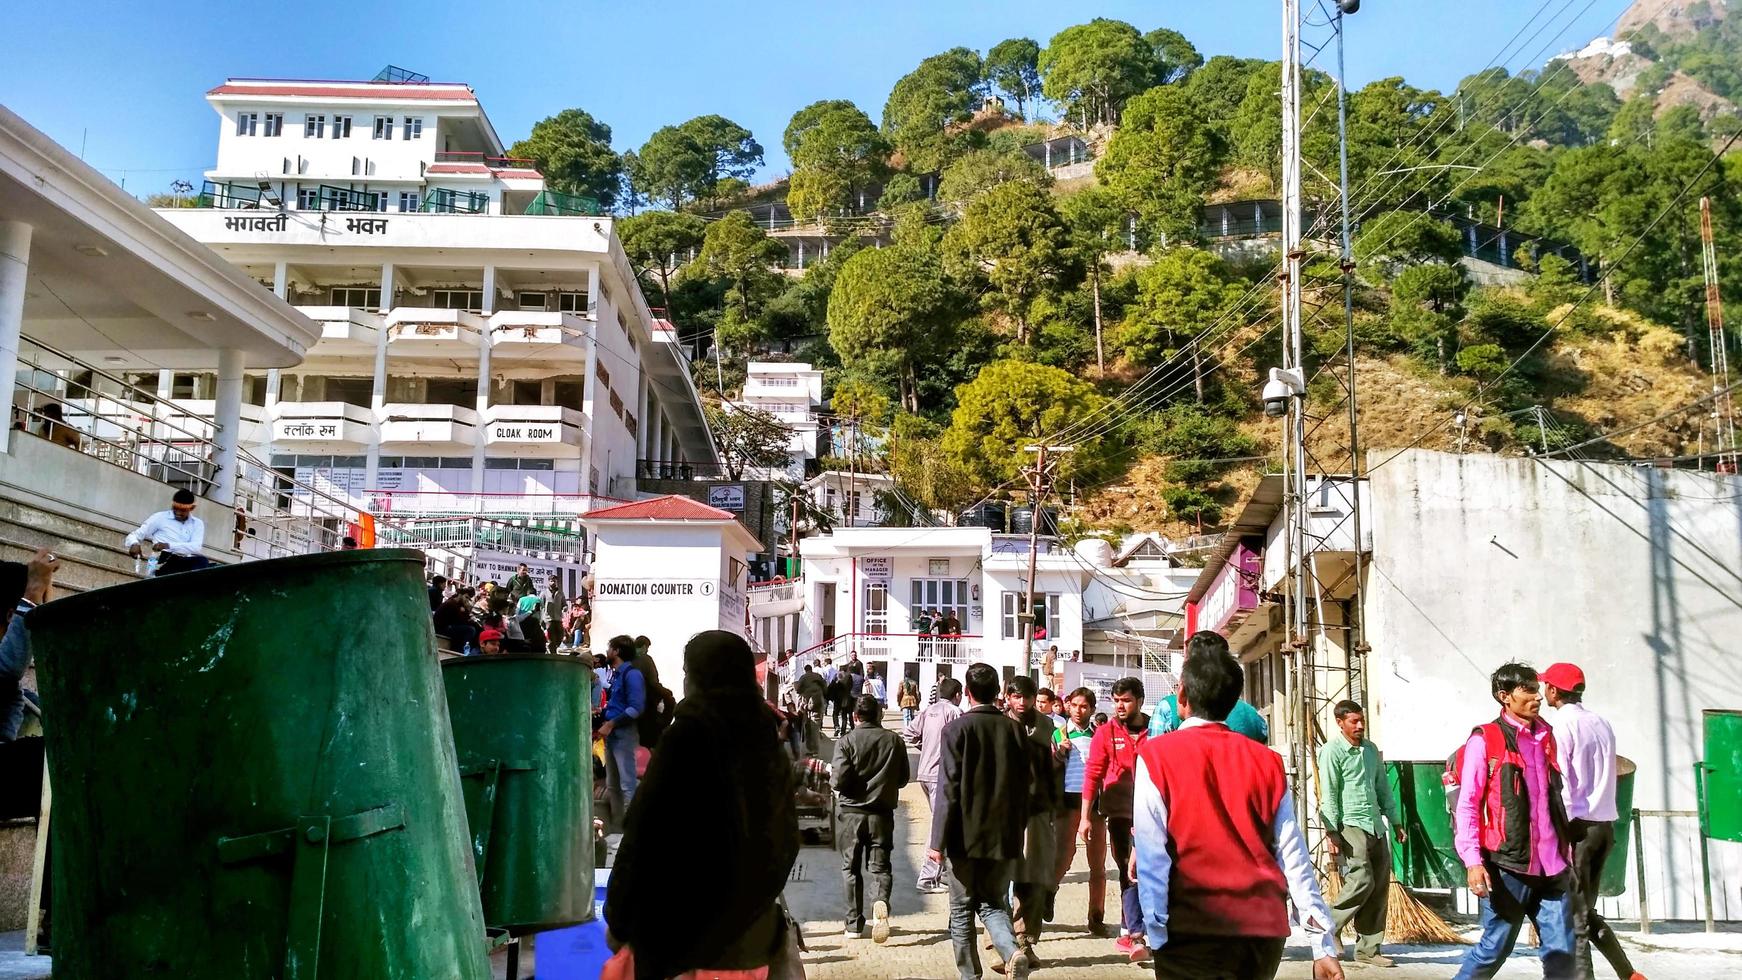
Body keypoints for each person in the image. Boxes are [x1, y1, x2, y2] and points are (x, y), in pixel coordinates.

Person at [1132, 640, 1343, 980]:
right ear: (1233, 702)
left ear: (1181, 697)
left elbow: (1152, 854)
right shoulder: (1268, 762)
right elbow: (1293, 855)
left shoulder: (1155, 757)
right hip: (1260, 934)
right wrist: (1322, 944)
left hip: (1191, 928)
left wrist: (1155, 931)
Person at [604, 631, 801, 980]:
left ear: (698, 676)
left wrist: (618, 919)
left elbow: (644, 837)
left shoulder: (689, 736)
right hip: (750, 947)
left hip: (681, 945)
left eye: (686, 672)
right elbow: (785, 842)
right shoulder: (767, 742)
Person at [1453, 663, 1575, 980]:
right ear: (1504, 696)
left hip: (1552, 865)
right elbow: (1467, 804)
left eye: (1538, 689)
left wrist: (1567, 854)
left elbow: (1555, 797)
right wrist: (1472, 861)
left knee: (1562, 954)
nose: (1537, 697)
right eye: (1529, 690)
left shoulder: (1546, 735)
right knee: (1495, 949)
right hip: (1507, 865)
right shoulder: (1486, 740)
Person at [1540, 662, 1644, 980]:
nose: (1543, 691)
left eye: (1546, 685)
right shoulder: (1601, 723)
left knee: (1576, 919)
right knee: (1586, 911)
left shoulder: (1560, 726)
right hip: (1604, 828)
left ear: (1554, 691)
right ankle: (1629, 975)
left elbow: (1562, 783)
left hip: (1577, 828)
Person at [928, 663, 1032, 980]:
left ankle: (969, 976)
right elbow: (1025, 786)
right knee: (993, 904)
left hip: (962, 836)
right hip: (1002, 836)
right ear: (999, 691)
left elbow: (948, 789)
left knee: (961, 910)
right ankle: (1011, 951)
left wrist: (936, 842)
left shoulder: (956, 730)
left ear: (968, 693)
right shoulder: (1015, 730)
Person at [1318, 698, 1406, 969]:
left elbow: (1382, 788)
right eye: (1353, 721)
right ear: (1340, 723)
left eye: (1361, 720)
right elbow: (1329, 792)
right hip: (1349, 823)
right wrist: (1331, 830)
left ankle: (1368, 948)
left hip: (1374, 824)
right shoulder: (1332, 751)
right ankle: (1326, 927)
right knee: (1362, 879)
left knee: (1379, 885)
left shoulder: (1370, 750)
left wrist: (1395, 821)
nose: (1359, 726)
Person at [1082, 676, 1152, 962]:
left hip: (1152, 813)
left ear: (1139, 701)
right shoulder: (1105, 732)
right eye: (1116, 700)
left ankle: (1134, 927)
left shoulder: (1156, 728)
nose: (1120, 706)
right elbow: (1092, 773)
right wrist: (1084, 817)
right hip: (1120, 814)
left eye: (1126, 700)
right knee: (1127, 870)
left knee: (1151, 871)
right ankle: (1135, 933)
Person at [833, 694, 910, 944]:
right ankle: (879, 903)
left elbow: (837, 780)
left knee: (851, 868)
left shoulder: (846, 742)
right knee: (880, 866)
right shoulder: (894, 741)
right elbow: (902, 779)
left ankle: (854, 924)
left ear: (855, 716)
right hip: (881, 814)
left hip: (851, 815)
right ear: (880, 714)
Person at [1006, 674, 1063, 971]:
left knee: (1035, 877)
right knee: (1002, 878)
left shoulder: (1046, 725)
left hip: (1038, 809)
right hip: (1004, 811)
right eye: (1017, 696)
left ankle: (1025, 940)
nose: (1023, 702)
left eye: (1027, 696)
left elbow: (1050, 767)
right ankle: (1001, 941)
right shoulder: (999, 724)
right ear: (1008, 697)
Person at [1054, 687, 1108, 934]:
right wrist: (1058, 752)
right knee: (1063, 857)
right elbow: (1051, 767)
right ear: (1067, 706)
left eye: (1084, 706)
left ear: (1092, 709)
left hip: (1095, 805)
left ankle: (1096, 917)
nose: (1078, 710)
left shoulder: (1100, 735)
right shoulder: (1059, 733)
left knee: (1097, 864)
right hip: (1068, 803)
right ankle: (1049, 893)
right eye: (1074, 705)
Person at [904, 675, 964, 895]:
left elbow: (909, 733)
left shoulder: (928, 711)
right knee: (940, 824)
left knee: (945, 823)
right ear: (958, 695)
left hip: (924, 773)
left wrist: (927, 747)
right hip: (942, 774)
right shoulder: (955, 712)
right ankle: (928, 877)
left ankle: (945, 872)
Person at [598, 635, 648, 813]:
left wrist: (611, 724)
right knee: (613, 785)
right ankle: (618, 829)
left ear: (616, 651)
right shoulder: (618, 676)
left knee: (627, 784)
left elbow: (636, 708)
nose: (607, 651)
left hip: (624, 736)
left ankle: (631, 829)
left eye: (609, 648)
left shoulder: (632, 675)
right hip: (613, 737)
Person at [124, 489, 208, 576]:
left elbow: (195, 547)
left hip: (187, 561)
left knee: (202, 561)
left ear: (192, 508)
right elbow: (134, 535)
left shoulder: (197, 523)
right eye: (175, 508)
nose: (178, 513)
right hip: (165, 560)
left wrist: (167, 545)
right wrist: (134, 543)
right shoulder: (160, 517)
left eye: (182, 510)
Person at [794, 664, 827, 729]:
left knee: (806, 712)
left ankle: (808, 727)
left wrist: (801, 692)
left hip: (808, 698)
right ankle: (818, 728)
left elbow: (798, 689)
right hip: (818, 696)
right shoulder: (818, 676)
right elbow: (824, 685)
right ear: (811, 669)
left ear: (805, 670)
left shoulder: (803, 677)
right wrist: (824, 694)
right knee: (818, 713)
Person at [541, 575, 567, 653]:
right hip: (548, 618)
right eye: (551, 581)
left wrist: (565, 607)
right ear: (548, 582)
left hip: (558, 617)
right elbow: (541, 605)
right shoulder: (544, 593)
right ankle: (553, 651)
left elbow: (564, 603)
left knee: (560, 635)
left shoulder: (560, 593)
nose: (553, 583)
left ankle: (555, 646)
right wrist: (542, 617)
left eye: (554, 581)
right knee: (551, 636)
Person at [826, 668, 853, 737]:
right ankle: (843, 731)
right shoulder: (849, 676)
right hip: (846, 698)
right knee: (844, 715)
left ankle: (837, 726)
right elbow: (851, 686)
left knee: (835, 714)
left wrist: (829, 695)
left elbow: (832, 685)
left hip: (837, 698)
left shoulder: (837, 675)